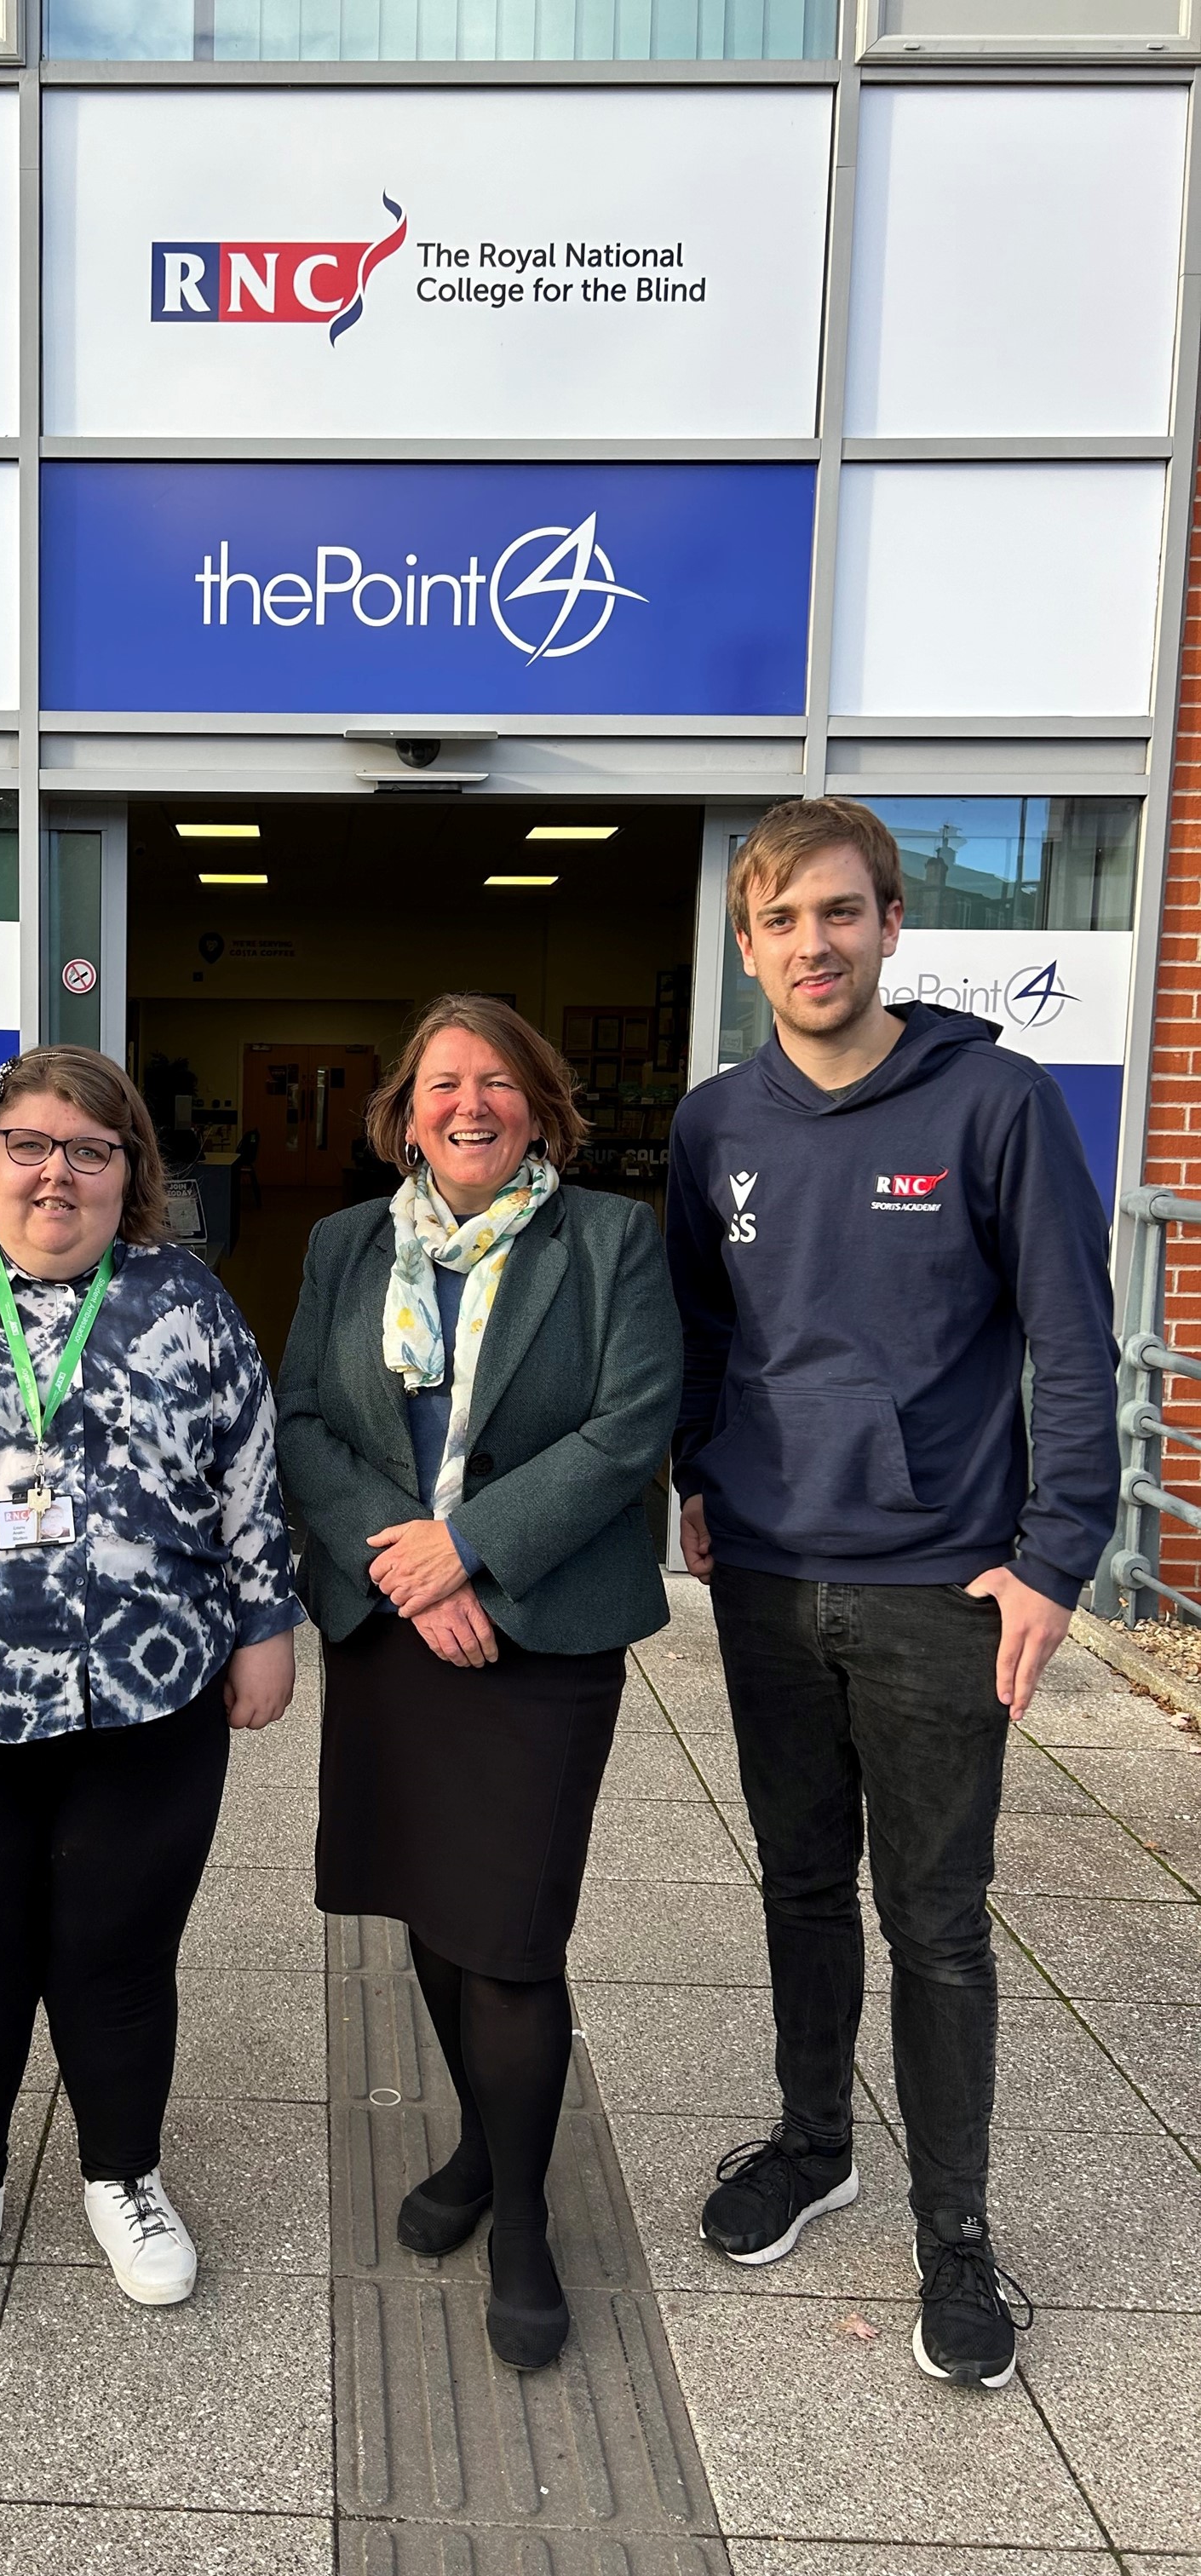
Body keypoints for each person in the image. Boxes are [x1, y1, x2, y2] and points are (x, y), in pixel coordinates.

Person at [666, 796, 1121, 2389]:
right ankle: (812, 2142)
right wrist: (700, 1478)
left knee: (935, 1922)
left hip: (944, 1589)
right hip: (774, 1584)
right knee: (799, 1885)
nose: (816, 945)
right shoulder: (715, 1126)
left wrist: (1056, 1556)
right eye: (785, 922)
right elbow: (706, 1331)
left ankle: (956, 2233)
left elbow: (1073, 1337)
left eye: (843, 914)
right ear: (748, 945)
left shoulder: (995, 1104)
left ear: (890, 927)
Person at [0, 1044, 302, 2326]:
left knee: (120, 1955)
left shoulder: (185, 1299)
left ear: (129, 1173)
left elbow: (250, 1469)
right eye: (29, 1145)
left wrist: (267, 1626)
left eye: (91, 1150)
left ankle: (122, 2175)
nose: (56, 1174)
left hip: (150, 1699)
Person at [276, 995, 681, 2371]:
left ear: (541, 1108)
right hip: (395, 1631)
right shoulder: (344, 1246)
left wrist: (472, 1555)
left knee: (509, 1935)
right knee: (434, 1920)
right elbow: (306, 1422)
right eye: (444, 1081)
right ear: (404, 1109)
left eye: (500, 1081)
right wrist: (409, 1572)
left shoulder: (613, 1239)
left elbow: (633, 1428)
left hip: (543, 1629)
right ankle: (478, 2147)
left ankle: (520, 2217)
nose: (470, 1103)